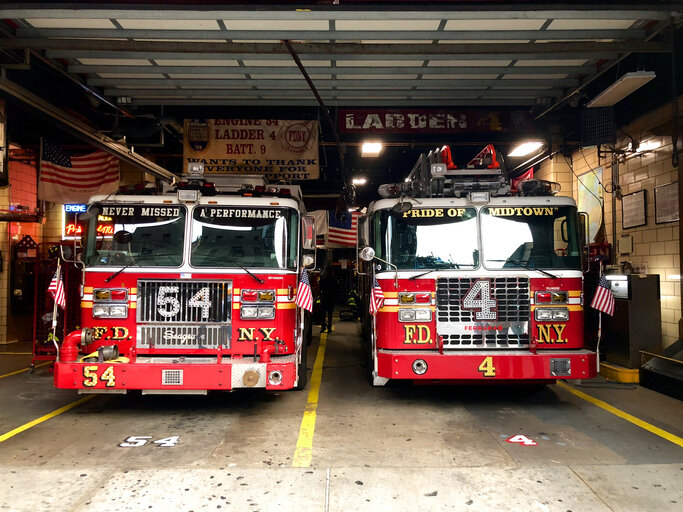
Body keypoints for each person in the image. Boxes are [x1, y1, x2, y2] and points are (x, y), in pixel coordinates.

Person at [319, 264, 337, 333]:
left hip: (324, 297)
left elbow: (320, 288)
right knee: (330, 314)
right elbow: (336, 289)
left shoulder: (323, 278)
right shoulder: (333, 279)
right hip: (331, 298)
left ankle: (323, 327)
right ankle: (329, 327)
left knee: (323, 314)